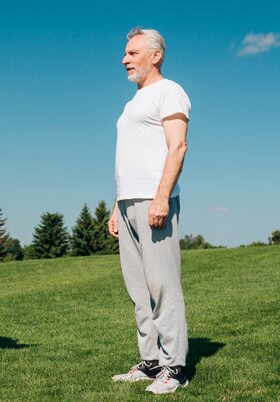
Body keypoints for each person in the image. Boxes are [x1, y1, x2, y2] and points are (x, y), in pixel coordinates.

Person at [108, 27, 191, 394]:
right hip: (127, 202)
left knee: (162, 284)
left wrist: (161, 197)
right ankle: (151, 360)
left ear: (155, 55)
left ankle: (175, 367)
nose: (124, 59)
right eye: (125, 53)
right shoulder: (131, 103)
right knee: (138, 288)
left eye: (132, 53)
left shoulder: (169, 91)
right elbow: (128, 159)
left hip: (155, 200)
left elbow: (177, 148)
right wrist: (115, 206)